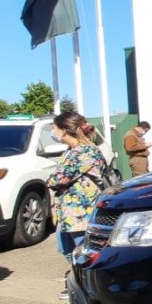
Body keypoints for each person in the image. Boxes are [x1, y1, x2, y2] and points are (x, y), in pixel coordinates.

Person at [46, 112, 107, 266]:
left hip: (81, 212)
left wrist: (51, 180)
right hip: (68, 212)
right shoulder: (71, 150)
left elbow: (59, 179)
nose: (53, 132)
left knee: (83, 251)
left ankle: (84, 283)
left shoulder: (85, 152)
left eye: (54, 128)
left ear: (64, 130)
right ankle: (77, 277)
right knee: (65, 248)